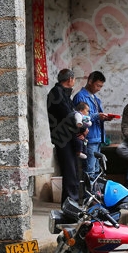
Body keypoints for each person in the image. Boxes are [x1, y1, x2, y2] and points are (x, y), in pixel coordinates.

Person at [72, 71, 113, 181]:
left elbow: (93, 116)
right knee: (89, 170)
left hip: (97, 138)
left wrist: (104, 118)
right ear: (90, 81)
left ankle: (94, 195)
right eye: (98, 85)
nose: (99, 88)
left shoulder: (95, 98)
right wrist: (96, 116)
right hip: (88, 138)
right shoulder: (81, 97)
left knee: (96, 170)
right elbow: (79, 117)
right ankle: (88, 196)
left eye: (101, 86)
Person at [47, 69, 80, 202]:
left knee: (73, 173)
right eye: (74, 79)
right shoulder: (57, 93)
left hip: (69, 137)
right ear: (70, 79)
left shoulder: (63, 93)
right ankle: (70, 203)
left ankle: (72, 203)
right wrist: (81, 126)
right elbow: (68, 115)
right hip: (63, 138)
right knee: (70, 173)